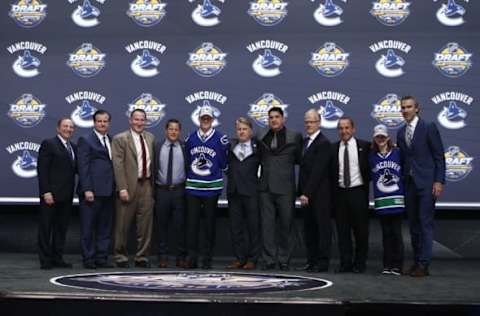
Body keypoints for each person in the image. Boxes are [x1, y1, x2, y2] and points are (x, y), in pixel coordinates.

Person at [397, 96, 445, 277]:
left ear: (417, 109)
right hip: (409, 185)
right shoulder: (401, 133)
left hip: (427, 184)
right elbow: (403, 159)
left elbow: (439, 156)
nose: (405, 110)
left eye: (409, 107)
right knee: (413, 226)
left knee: (425, 224)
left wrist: (439, 181)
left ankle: (424, 264)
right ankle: (417, 261)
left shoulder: (429, 127)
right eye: (403, 108)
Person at [257, 107, 302, 271]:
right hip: (265, 188)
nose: (273, 120)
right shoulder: (260, 136)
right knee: (267, 226)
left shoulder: (295, 137)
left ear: (283, 119)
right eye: (270, 117)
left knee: (286, 225)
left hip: (285, 188)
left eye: (277, 117)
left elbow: (299, 159)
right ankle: (269, 259)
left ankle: (284, 259)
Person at [184, 105, 229, 269]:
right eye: (203, 118)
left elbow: (224, 163)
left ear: (212, 120)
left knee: (209, 225)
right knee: (192, 225)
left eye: (208, 118)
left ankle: (207, 258)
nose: (205, 120)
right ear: (199, 119)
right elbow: (187, 161)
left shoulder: (221, 139)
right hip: (193, 187)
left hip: (211, 188)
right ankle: (192, 257)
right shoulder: (190, 139)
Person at [111, 109, 155, 268]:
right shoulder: (120, 139)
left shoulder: (150, 138)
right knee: (123, 223)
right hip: (128, 186)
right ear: (130, 121)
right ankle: (120, 256)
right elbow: (118, 165)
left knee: (145, 225)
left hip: (147, 185)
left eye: (142, 120)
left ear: (146, 121)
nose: (139, 122)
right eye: (136, 119)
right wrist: (122, 187)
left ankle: (141, 256)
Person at [77, 110, 115, 269]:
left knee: (105, 228)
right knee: (88, 228)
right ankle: (88, 259)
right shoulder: (85, 140)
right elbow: (83, 167)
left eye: (105, 121)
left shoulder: (112, 140)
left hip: (109, 191)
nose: (102, 124)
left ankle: (101, 258)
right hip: (91, 192)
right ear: (94, 122)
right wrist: (87, 189)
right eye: (99, 121)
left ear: (109, 123)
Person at [37, 118, 77, 269]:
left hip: (66, 196)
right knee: (46, 228)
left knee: (61, 229)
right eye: (65, 126)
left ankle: (57, 258)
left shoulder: (73, 147)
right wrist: (46, 192)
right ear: (58, 128)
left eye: (71, 127)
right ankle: (45, 260)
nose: (68, 129)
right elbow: (42, 170)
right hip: (50, 195)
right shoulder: (49, 144)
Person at [297, 109, 333, 273]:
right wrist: (301, 192)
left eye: (312, 121)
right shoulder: (304, 142)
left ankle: (322, 262)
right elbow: (303, 170)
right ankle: (311, 261)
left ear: (319, 123)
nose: (309, 124)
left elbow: (318, 171)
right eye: (306, 121)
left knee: (322, 229)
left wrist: (307, 193)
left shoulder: (324, 143)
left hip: (320, 195)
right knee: (309, 230)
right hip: (306, 196)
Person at [333, 117, 370, 273]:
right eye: (341, 128)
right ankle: (345, 263)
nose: (344, 131)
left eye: (347, 127)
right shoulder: (333, 148)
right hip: (340, 194)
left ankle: (360, 263)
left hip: (358, 192)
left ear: (353, 129)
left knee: (361, 231)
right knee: (342, 232)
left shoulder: (365, 146)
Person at [226, 117, 261, 270]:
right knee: (236, 228)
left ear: (250, 131)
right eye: (239, 129)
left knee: (253, 228)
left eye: (244, 129)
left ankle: (253, 259)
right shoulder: (230, 146)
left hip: (251, 193)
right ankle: (240, 258)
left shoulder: (258, 148)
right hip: (234, 193)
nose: (241, 131)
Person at [369, 124, 405, 276]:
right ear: (374, 139)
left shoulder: (398, 153)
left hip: (396, 200)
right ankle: (387, 264)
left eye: (383, 136)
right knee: (386, 235)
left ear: (388, 137)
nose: (381, 139)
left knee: (396, 234)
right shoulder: (371, 156)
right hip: (382, 202)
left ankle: (397, 265)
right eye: (378, 137)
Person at [153, 119, 188, 268]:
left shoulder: (185, 147)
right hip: (162, 191)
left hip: (179, 191)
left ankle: (181, 256)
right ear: (166, 131)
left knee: (180, 226)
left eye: (176, 129)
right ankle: (163, 257)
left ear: (179, 132)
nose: (173, 132)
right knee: (161, 226)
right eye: (171, 129)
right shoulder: (157, 146)